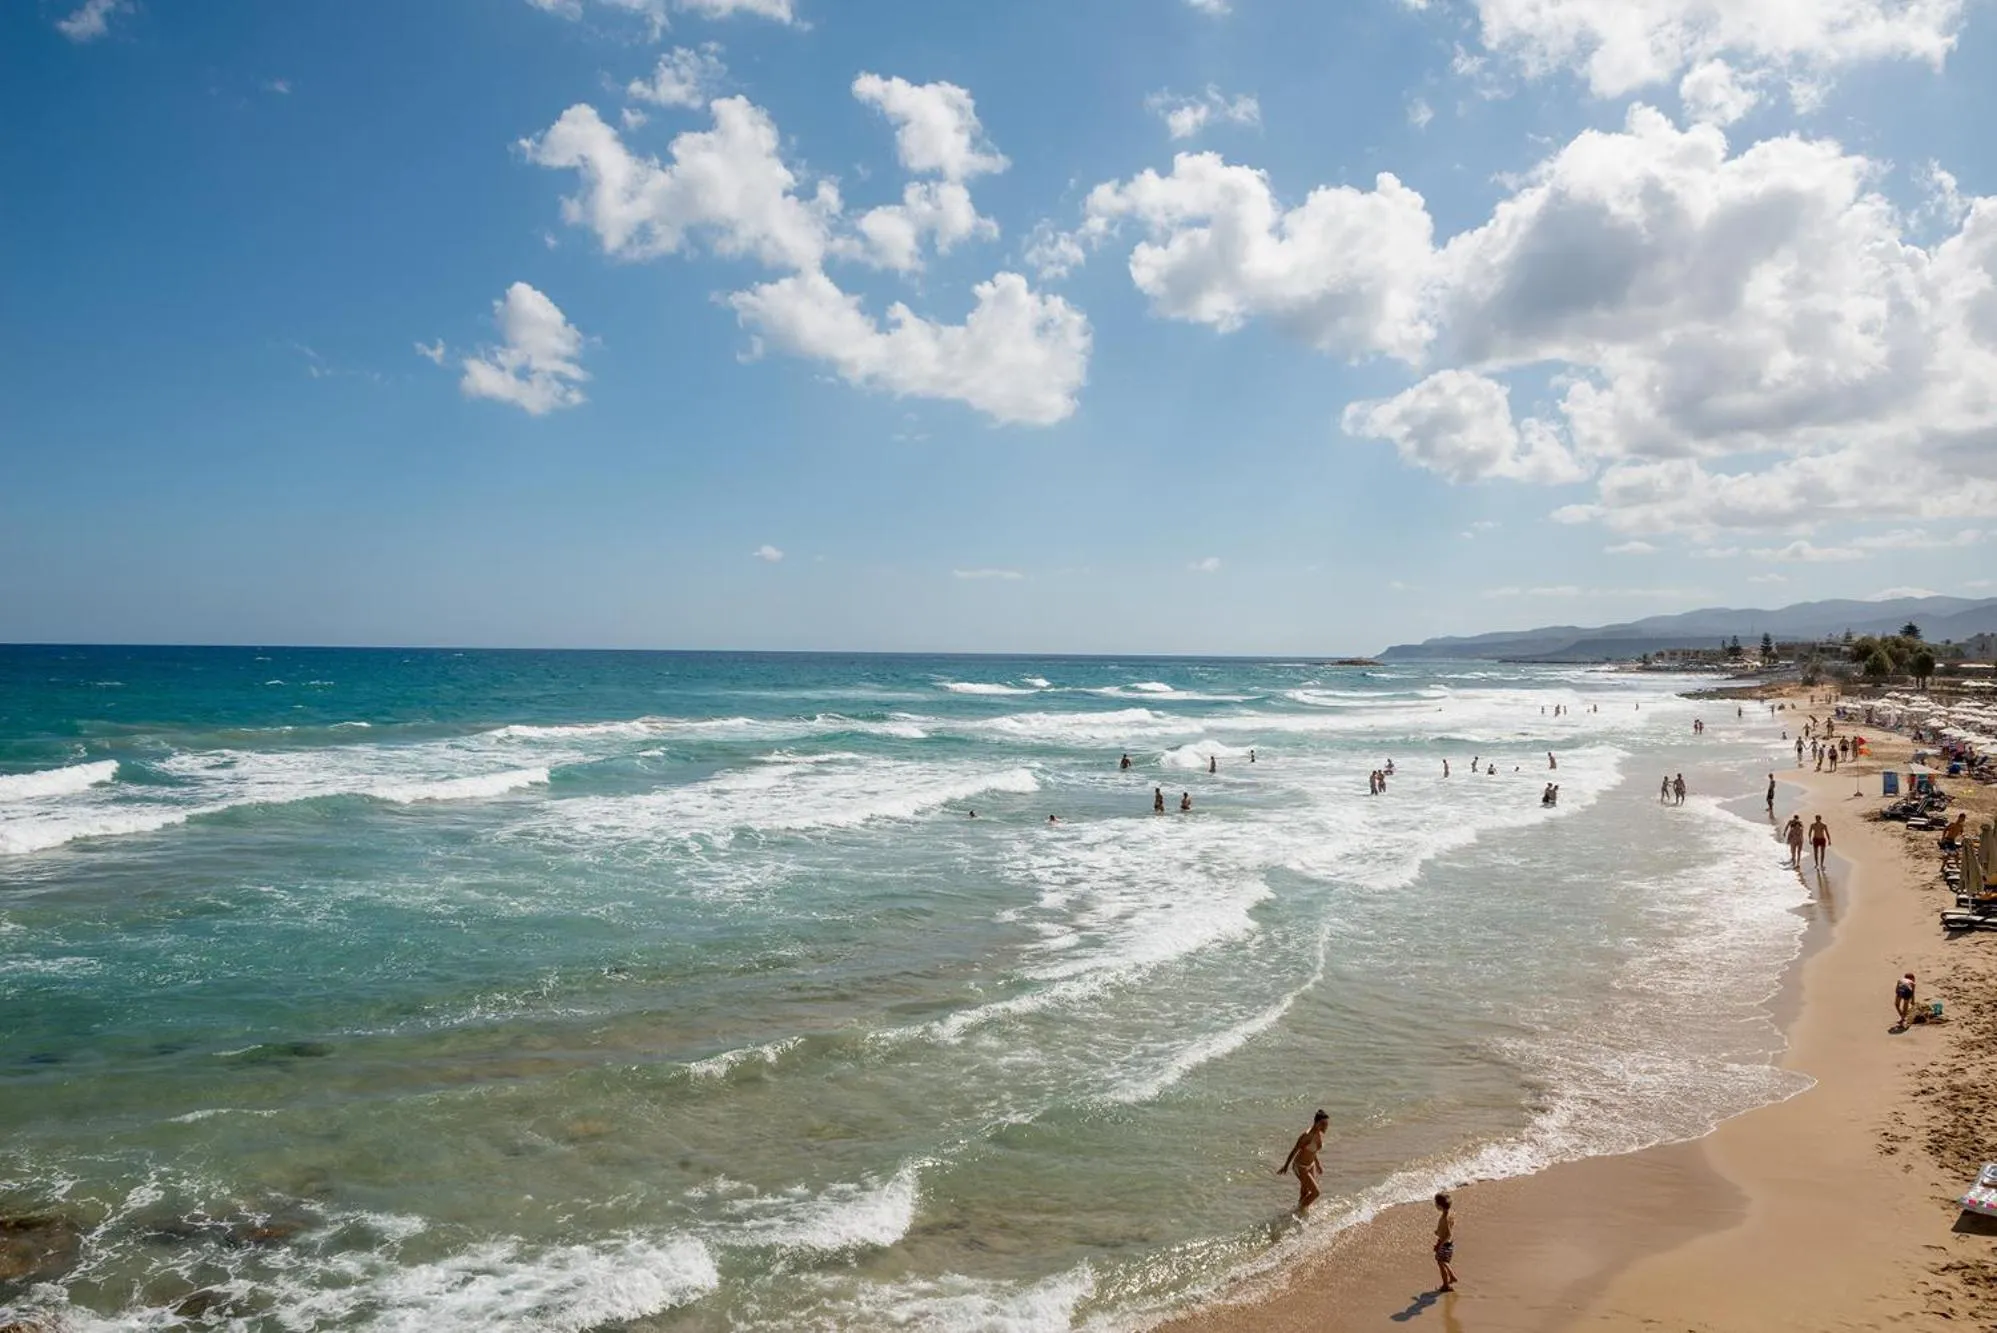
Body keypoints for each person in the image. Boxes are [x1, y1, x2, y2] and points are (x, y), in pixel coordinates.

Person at [1278, 1111, 1328, 1212]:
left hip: (1311, 1165)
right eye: (1324, 1124)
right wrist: (1286, 1166)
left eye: (1326, 1124)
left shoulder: (1319, 1134)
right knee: (1315, 1193)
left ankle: (1302, 1214)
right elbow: (1294, 1150)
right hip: (1300, 1167)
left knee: (1305, 1193)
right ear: (1317, 1123)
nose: (1326, 1126)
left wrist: (1318, 1164)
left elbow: (1313, 1152)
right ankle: (1297, 1212)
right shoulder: (1306, 1136)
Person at [1433, 1192, 1457, 1291]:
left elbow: (1447, 1234)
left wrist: (1439, 1245)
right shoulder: (1450, 1214)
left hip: (1445, 1244)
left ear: (1440, 1206)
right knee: (1442, 1261)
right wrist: (1438, 1232)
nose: (1435, 1205)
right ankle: (1451, 1278)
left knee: (1440, 1262)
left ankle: (1446, 1284)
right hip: (1449, 1243)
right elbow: (1447, 1229)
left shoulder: (1444, 1218)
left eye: (1436, 1204)